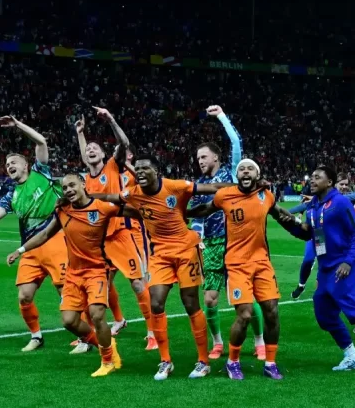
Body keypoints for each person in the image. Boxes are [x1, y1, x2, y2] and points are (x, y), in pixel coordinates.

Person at [94, 155, 229, 380]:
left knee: (190, 303)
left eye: (145, 168)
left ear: (157, 171)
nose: (140, 172)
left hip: (186, 250)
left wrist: (245, 186)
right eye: (137, 169)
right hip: (160, 254)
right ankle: (165, 361)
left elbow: (212, 187)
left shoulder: (175, 186)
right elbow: (110, 197)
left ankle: (203, 361)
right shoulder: (133, 193)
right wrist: (85, 196)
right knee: (156, 303)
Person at [6, 175, 139, 376]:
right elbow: (44, 235)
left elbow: (135, 212)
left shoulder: (103, 207)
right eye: (65, 187)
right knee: (69, 321)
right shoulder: (63, 211)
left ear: (83, 185)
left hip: (97, 271)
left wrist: (160, 217)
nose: (68, 189)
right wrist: (21, 250)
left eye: (72, 185)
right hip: (73, 274)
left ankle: (107, 360)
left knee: (96, 314)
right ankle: (107, 343)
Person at [281, 165, 355, 376]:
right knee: (324, 314)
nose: (312, 180)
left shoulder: (341, 202)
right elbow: (309, 234)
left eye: (317, 178)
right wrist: (290, 224)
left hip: (343, 265)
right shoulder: (314, 205)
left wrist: (348, 262)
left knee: (353, 311)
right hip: (325, 268)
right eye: (312, 177)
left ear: (330, 183)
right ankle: (352, 356)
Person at [187, 159, 291, 380]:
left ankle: (270, 362)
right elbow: (205, 209)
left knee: (272, 311)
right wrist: (181, 213)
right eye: (241, 169)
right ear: (237, 175)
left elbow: (282, 215)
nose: (245, 171)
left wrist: (304, 228)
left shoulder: (267, 196)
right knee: (244, 314)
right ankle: (232, 361)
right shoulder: (225, 195)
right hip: (237, 264)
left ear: (257, 174)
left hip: (262, 263)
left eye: (250, 168)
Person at [0, 116, 66, 352]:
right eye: (7, 164)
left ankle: (83, 336)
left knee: (65, 292)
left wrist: (18, 125)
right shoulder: (11, 195)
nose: (9, 166)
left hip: (54, 240)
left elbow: (41, 142)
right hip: (29, 248)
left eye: (14, 162)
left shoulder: (41, 172)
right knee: (24, 297)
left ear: (26, 165)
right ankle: (36, 336)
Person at [188, 105, 264, 360]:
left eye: (204, 157)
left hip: (235, 245)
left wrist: (220, 115)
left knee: (246, 299)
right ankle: (218, 342)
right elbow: (195, 215)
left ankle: (259, 341)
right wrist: (195, 237)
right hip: (209, 246)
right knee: (209, 299)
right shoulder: (199, 186)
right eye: (198, 158)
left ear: (216, 159)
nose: (200, 161)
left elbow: (235, 141)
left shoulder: (229, 174)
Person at [76, 108, 154, 350]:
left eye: (94, 148)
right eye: (87, 149)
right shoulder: (86, 178)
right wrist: (80, 133)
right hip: (98, 239)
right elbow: (84, 155)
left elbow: (124, 142)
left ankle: (153, 331)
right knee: (103, 284)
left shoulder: (112, 165)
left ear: (104, 154)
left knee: (137, 283)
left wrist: (110, 119)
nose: (90, 150)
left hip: (121, 233)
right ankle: (116, 321)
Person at [290, 172, 355, 300]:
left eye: (346, 184)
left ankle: (353, 290)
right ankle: (302, 285)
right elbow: (307, 206)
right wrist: (291, 213)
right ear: (333, 184)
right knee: (309, 260)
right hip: (319, 236)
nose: (344, 187)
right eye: (341, 184)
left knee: (353, 262)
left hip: (340, 239)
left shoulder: (347, 199)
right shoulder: (321, 198)